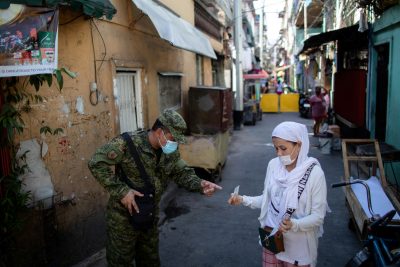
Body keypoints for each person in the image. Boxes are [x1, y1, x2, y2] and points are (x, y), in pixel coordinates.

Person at [88, 109, 222, 267]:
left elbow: (181, 172)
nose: (175, 144)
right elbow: (96, 163)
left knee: (150, 261)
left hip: (149, 216)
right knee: (120, 263)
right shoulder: (127, 143)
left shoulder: (168, 152)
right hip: (123, 220)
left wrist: (200, 184)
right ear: (160, 132)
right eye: (173, 139)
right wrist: (122, 191)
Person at [228, 121, 328, 267]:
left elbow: (318, 216)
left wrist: (295, 224)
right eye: (276, 148)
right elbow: (267, 199)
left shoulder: (314, 174)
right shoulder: (273, 165)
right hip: (272, 240)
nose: (279, 154)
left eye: (283, 148)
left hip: (298, 251)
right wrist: (243, 199)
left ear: (299, 145)